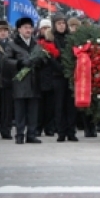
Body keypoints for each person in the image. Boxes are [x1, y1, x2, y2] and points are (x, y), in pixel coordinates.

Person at [5, 17, 43, 144]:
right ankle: (20, 135)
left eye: (30, 27)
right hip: (20, 82)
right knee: (20, 110)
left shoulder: (36, 43)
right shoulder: (12, 44)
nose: (28, 30)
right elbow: (6, 61)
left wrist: (40, 61)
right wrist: (20, 63)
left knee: (33, 110)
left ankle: (31, 134)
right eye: (25, 27)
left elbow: (43, 60)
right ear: (19, 29)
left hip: (34, 82)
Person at [50, 13, 78, 142]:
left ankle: (71, 131)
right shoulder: (51, 39)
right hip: (58, 76)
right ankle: (61, 132)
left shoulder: (71, 38)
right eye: (58, 23)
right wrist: (61, 69)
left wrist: (71, 69)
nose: (61, 26)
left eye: (63, 23)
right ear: (54, 25)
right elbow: (50, 58)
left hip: (71, 76)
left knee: (71, 105)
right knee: (59, 105)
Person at [36, 19, 55, 137]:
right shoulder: (36, 42)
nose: (46, 30)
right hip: (39, 77)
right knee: (39, 106)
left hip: (52, 77)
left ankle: (50, 127)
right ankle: (38, 127)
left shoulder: (54, 42)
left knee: (50, 106)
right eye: (44, 28)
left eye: (48, 28)